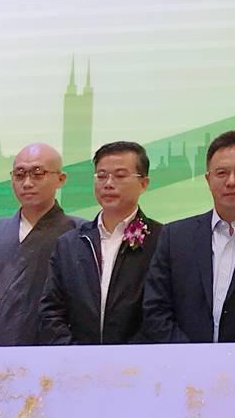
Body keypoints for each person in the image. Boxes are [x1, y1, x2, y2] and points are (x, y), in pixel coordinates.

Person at [138, 130, 235, 343]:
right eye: (221, 173)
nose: (231, 181)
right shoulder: (174, 237)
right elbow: (155, 308)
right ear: (208, 179)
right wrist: (193, 355)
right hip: (183, 361)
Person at [0, 143, 82, 347]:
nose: (27, 183)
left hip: (54, 351)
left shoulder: (78, 233)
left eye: (38, 174)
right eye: (20, 175)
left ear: (61, 179)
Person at [37, 141, 161, 345]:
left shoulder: (162, 240)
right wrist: (76, 353)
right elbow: (51, 311)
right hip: (76, 359)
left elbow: (162, 311)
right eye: (101, 176)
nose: (108, 184)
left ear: (144, 183)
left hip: (138, 360)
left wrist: (128, 356)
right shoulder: (69, 244)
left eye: (120, 176)